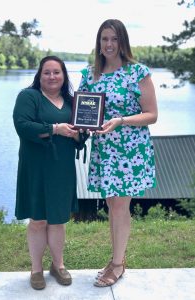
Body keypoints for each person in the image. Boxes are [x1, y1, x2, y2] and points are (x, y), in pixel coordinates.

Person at [78, 19, 158, 287]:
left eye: (114, 39)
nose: (109, 44)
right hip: (104, 149)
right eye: (104, 39)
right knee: (112, 204)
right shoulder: (90, 74)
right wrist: (82, 125)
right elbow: (83, 109)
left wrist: (121, 120)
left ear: (123, 42)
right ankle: (117, 259)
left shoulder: (137, 72)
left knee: (121, 205)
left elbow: (152, 115)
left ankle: (116, 265)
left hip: (129, 150)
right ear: (98, 43)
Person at [13, 56, 88, 290]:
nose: (52, 76)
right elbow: (22, 126)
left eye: (57, 72)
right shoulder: (29, 96)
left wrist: (77, 134)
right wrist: (55, 129)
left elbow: (81, 134)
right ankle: (36, 269)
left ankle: (58, 265)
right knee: (38, 219)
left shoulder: (71, 100)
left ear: (64, 75)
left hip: (62, 168)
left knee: (58, 219)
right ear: (40, 75)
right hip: (35, 167)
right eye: (47, 72)